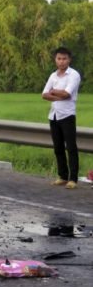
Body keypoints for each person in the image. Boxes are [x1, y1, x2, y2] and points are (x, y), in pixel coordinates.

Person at [41, 47, 81, 189]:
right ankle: (63, 176)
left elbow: (67, 94)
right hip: (54, 115)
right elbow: (44, 94)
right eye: (59, 58)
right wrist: (58, 93)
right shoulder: (53, 76)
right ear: (55, 60)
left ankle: (73, 179)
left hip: (67, 115)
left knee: (71, 147)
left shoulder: (73, 75)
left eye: (64, 59)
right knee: (58, 148)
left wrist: (54, 92)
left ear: (69, 60)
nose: (61, 61)